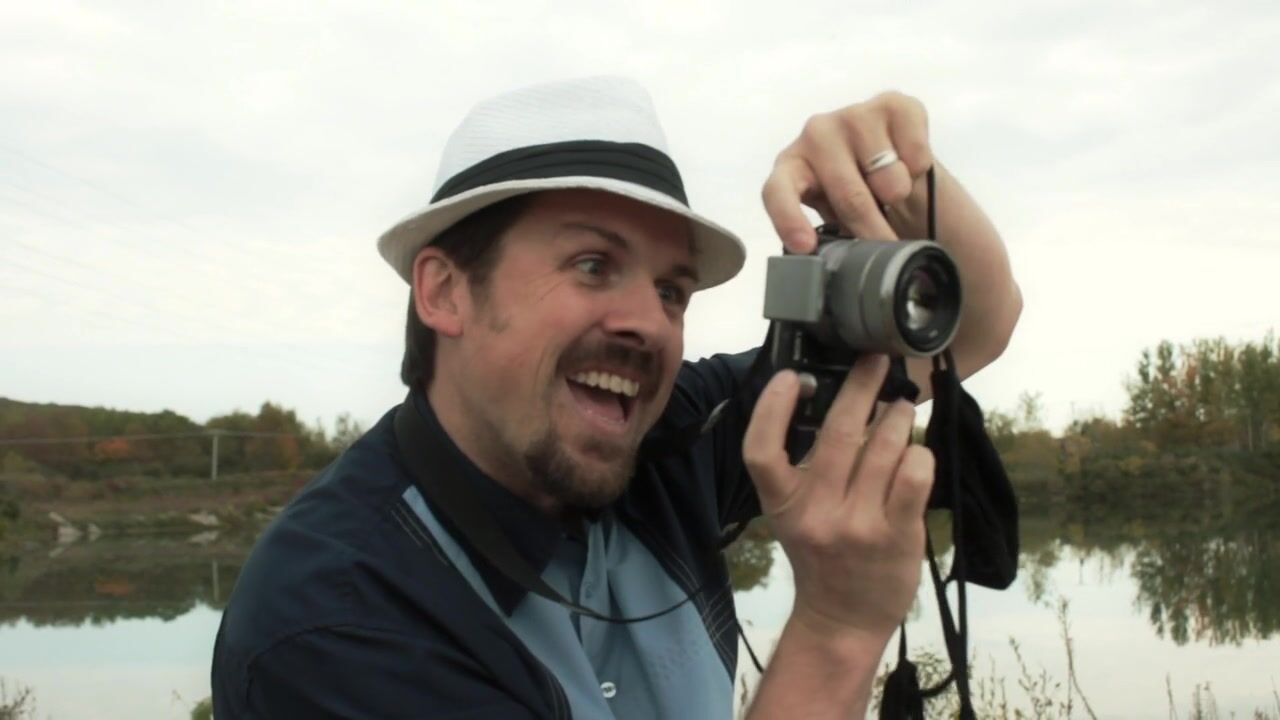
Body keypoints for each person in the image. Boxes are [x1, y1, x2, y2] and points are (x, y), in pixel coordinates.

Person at [211, 76, 1020, 719]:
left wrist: (900, 182)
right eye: (593, 265)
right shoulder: (332, 623)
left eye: (672, 290)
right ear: (446, 291)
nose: (649, 324)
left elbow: (974, 329)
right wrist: (837, 631)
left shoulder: (667, 442)